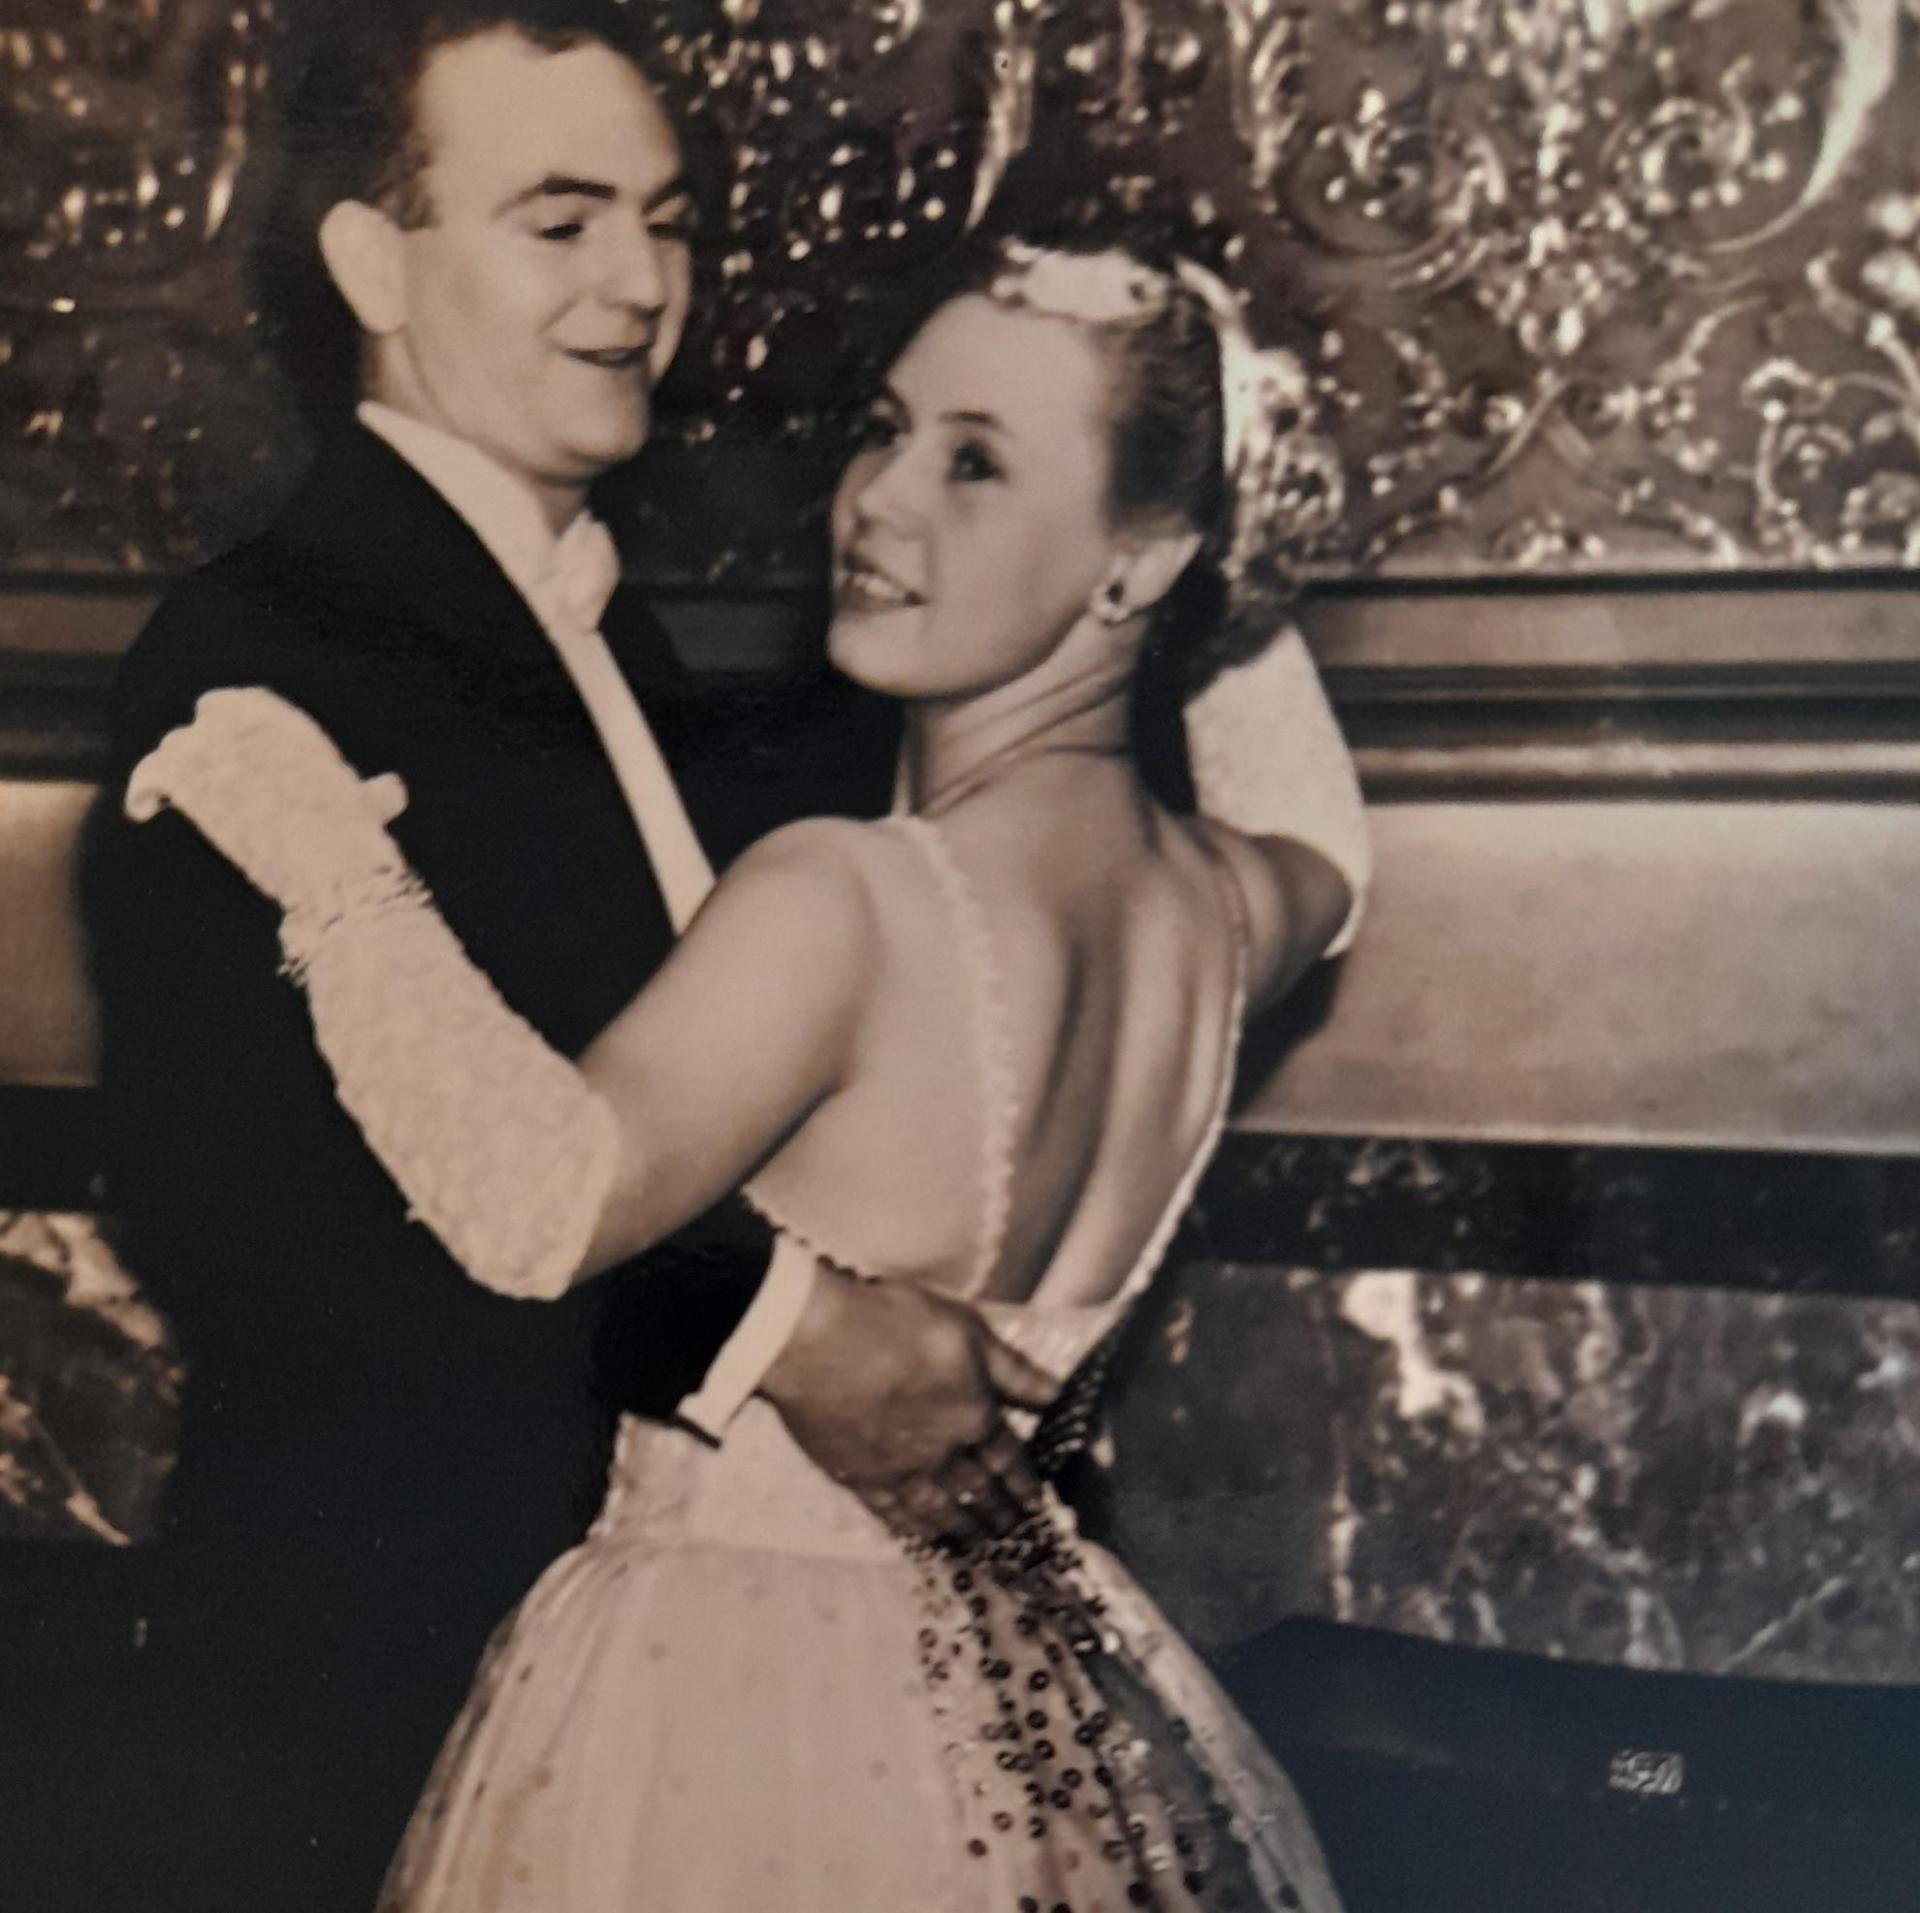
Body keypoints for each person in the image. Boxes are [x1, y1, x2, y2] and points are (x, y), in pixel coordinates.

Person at [132, 231, 1369, 1910]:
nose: (875, 501)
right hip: (1032, 1706)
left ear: (1137, 559)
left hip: (727, 1692)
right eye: (886, 426)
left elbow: (535, 1200)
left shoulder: (845, 893)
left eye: (978, 463)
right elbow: (1330, 834)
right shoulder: (1231, 911)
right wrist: (1217, 507)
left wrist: (325, 860)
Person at [46, 4, 1050, 1906]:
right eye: (561, 220)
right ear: (371, 259)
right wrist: (784, 1332)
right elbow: (278, 1219)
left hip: (647, 1668)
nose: (642, 284)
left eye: (665, 223)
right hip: (384, 1675)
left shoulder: (621, 642)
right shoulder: (259, 650)